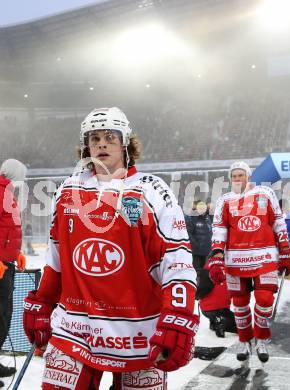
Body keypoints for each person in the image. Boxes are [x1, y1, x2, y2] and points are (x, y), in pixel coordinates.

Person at [22, 107, 199, 390]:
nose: (101, 144)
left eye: (109, 137)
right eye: (94, 139)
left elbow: (176, 261)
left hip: (137, 333)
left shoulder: (152, 190)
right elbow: (56, 258)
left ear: (126, 143)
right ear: (86, 147)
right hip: (75, 329)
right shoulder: (67, 190)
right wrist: (43, 301)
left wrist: (178, 317)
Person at [207, 161, 290, 363]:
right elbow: (219, 228)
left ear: (248, 176)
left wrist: (286, 249)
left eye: (241, 175)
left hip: (265, 258)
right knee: (239, 304)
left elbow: (278, 221)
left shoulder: (265, 193)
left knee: (264, 301)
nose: (237, 179)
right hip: (236, 260)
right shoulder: (225, 200)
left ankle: (261, 338)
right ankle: (245, 341)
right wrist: (217, 256)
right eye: (234, 176)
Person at [0, 159, 27, 386]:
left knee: (5, 314)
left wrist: (17, 252)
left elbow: (12, 229)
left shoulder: (9, 194)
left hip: (7, 263)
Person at [196, 266, 236, 338]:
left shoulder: (205, 271)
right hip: (221, 309)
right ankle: (220, 322)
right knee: (241, 326)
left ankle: (214, 323)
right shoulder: (228, 270)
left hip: (205, 309)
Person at [186, 200, 212, 272]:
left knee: (205, 272)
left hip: (207, 251)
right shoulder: (192, 218)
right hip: (196, 252)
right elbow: (189, 234)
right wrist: (195, 245)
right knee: (195, 271)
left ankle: (203, 283)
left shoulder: (208, 218)